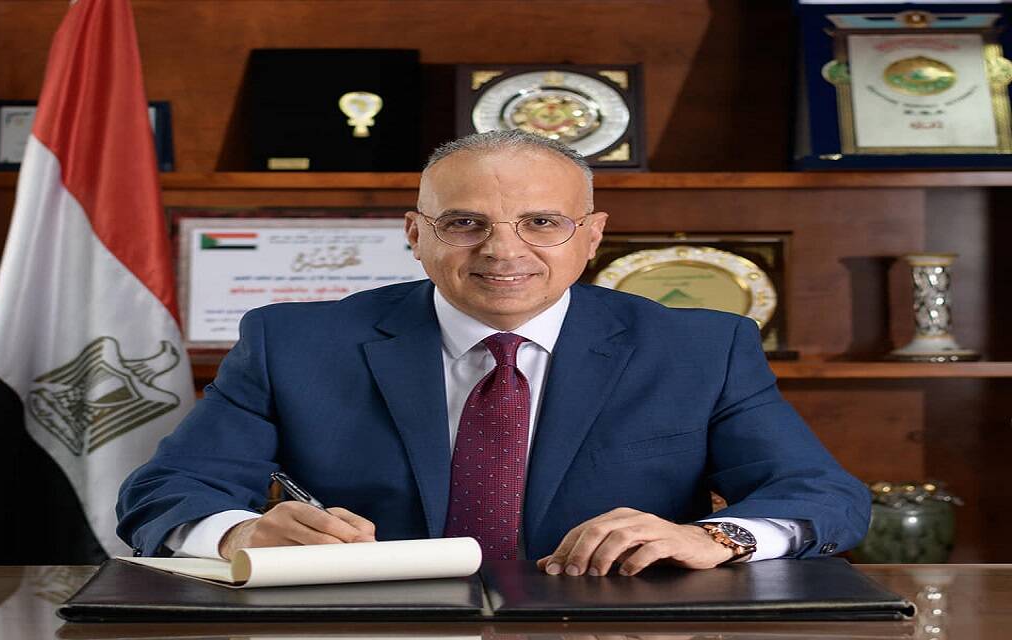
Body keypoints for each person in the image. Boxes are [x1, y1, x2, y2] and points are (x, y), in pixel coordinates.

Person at [117, 130, 870, 576]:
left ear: (592, 236)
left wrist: (713, 537)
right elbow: (164, 493)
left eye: (542, 222)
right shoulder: (295, 343)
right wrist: (242, 532)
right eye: (464, 223)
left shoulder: (700, 346)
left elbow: (824, 496)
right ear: (415, 235)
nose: (503, 251)